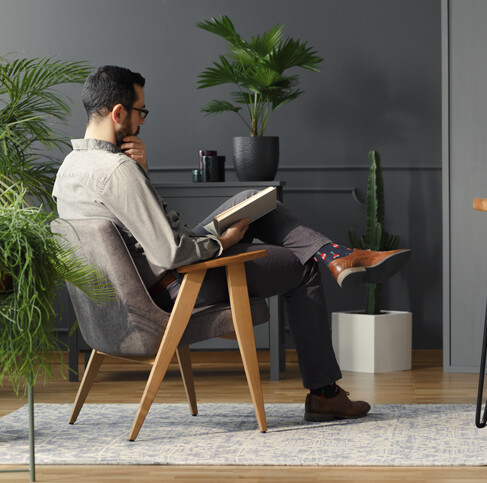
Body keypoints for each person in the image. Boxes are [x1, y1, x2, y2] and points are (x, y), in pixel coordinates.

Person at [52, 65, 410, 422]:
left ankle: (336, 256)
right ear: (118, 113)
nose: (142, 121)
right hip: (177, 286)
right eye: (140, 112)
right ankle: (325, 393)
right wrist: (220, 243)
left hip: (140, 293)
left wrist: (144, 174)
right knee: (303, 269)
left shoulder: (70, 169)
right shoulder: (117, 171)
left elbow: (143, 236)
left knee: (255, 199)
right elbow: (170, 252)